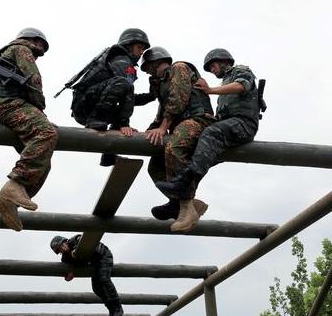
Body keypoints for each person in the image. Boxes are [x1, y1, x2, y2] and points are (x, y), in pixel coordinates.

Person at [156, 48, 260, 230]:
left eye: (213, 65)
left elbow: (242, 85)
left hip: (243, 124)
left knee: (210, 133)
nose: (212, 70)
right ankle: (185, 202)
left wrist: (210, 90)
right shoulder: (226, 83)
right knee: (197, 153)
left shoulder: (240, 71)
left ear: (224, 61)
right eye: (210, 67)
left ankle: (184, 182)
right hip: (228, 127)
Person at [0, 28, 58, 232]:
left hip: (3, 105)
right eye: (40, 46)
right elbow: (34, 80)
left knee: (43, 161)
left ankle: (11, 201)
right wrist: (40, 111)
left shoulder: (8, 51)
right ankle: (14, 186)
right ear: (33, 41)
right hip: (7, 103)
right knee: (46, 133)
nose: (40, 51)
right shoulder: (21, 49)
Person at [140, 46, 215, 232]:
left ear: (157, 62)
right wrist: (151, 130)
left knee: (174, 148)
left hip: (198, 119)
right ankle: (177, 203)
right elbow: (162, 111)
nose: (148, 71)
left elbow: (178, 98)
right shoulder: (162, 84)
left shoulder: (178, 68)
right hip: (180, 124)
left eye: (148, 67)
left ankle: (186, 207)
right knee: (155, 166)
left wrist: (164, 127)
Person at [70, 28, 150, 166]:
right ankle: (97, 120)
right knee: (123, 84)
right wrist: (124, 124)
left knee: (122, 98)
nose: (141, 52)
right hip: (87, 108)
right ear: (129, 45)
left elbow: (127, 97)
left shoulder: (120, 61)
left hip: (90, 107)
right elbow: (126, 88)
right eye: (139, 47)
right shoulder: (122, 59)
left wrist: (150, 97)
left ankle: (109, 156)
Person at [50, 235, 124, 316]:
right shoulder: (65, 257)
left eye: (62, 246)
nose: (62, 249)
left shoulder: (76, 240)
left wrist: (76, 250)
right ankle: (112, 309)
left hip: (103, 256)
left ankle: (118, 308)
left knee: (104, 279)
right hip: (94, 264)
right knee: (96, 288)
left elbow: (86, 240)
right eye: (59, 250)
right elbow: (68, 270)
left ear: (65, 242)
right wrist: (68, 275)